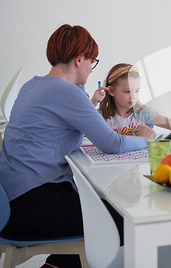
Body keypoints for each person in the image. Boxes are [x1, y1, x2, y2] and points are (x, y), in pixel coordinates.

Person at [0, 24, 155, 268]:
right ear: (79, 59)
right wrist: (145, 140)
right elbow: (112, 143)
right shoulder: (66, 92)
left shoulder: (33, 85)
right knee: (126, 216)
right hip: (31, 205)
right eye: (91, 63)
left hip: (10, 203)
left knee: (95, 203)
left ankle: (56, 265)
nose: (92, 70)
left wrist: (82, 89)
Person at [95, 63, 171, 136]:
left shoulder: (144, 113)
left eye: (136, 91)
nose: (133, 97)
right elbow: (81, 129)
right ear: (111, 91)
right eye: (127, 91)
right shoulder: (101, 116)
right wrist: (91, 104)